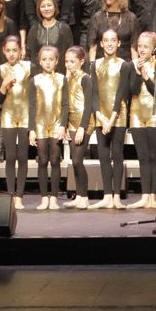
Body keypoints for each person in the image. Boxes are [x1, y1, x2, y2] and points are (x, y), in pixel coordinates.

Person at [90, 29, 131, 209]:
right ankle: (107, 195)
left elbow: (121, 93)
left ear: (119, 43)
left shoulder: (124, 65)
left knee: (117, 154)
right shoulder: (95, 64)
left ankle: (116, 195)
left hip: (118, 115)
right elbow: (94, 92)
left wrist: (112, 118)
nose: (109, 43)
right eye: (106, 40)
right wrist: (99, 115)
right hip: (101, 115)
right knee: (103, 155)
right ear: (101, 43)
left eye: (113, 40)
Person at [126, 31, 156, 209]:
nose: (141, 49)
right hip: (136, 114)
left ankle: (153, 197)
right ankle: (144, 195)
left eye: (146, 46)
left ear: (154, 48)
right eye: (139, 46)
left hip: (153, 114)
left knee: (153, 156)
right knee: (142, 156)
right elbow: (132, 90)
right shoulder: (131, 65)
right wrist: (137, 71)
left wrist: (146, 76)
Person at [27, 45, 67, 210]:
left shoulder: (62, 79)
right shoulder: (34, 80)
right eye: (44, 59)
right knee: (43, 161)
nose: (48, 62)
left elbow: (65, 105)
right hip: (40, 124)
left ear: (57, 61)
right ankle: (44, 197)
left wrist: (63, 125)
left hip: (57, 123)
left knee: (55, 161)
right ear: (39, 60)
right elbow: (32, 106)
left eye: (51, 59)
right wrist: (31, 129)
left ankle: (54, 197)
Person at [0, 36, 33, 210]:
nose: (11, 54)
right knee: (10, 157)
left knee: (23, 157)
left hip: (25, 115)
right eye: (8, 50)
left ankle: (20, 196)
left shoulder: (29, 68)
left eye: (14, 50)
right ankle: (11, 194)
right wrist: (3, 85)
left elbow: (33, 95)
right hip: (9, 116)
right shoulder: (0, 69)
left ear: (20, 51)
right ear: (3, 51)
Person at [61, 46, 94, 208]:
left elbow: (89, 105)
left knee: (77, 160)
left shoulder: (85, 78)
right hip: (72, 122)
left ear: (81, 62)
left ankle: (85, 197)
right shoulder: (68, 79)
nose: (68, 64)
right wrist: (66, 125)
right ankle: (79, 196)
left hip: (84, 122)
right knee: (74, 162)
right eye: (66, 61)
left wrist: (82, 127)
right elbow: (66, 104)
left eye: (72, 61)